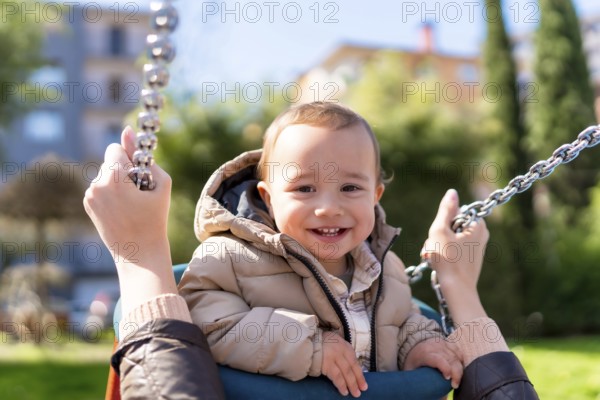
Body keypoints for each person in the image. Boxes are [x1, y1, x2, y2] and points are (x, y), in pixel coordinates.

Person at [83, 103, 538, 400]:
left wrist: (421, 346)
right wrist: (309, 346)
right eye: (303, 188)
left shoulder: (387, 268)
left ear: (376, 195)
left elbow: (404, 322)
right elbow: (207, 325)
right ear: (267, 196)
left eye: (350, 187)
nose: (328, 206)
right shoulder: (227, 258)